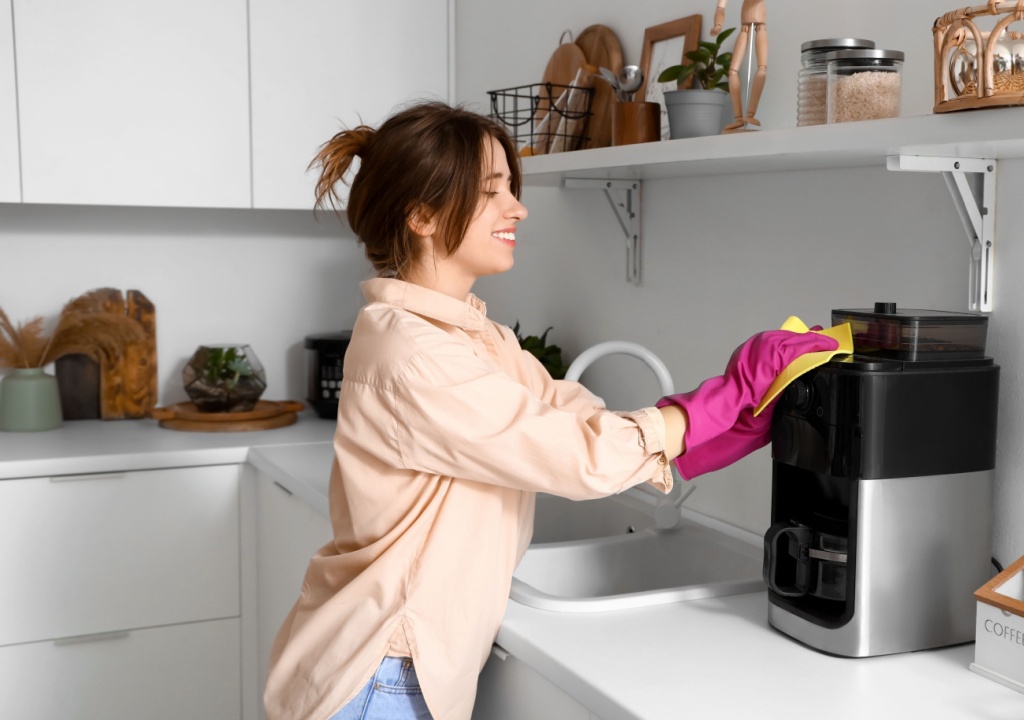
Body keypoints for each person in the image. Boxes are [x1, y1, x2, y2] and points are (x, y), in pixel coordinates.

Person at [263, 100, 837, 720]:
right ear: (423, 214)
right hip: (381, 675)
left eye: (511, 187)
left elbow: (570, 418)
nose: (517, 207)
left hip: (399, 670)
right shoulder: (411, 348)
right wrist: (722, 395)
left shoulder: (476, 337)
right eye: (491, 191)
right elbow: (577, 456)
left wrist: (726, 425)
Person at [715, 0, 768, 132]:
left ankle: (750, 114)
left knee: (762, 67)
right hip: (744, 28)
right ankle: (739, 118)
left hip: (760, 28)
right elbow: (721, 7)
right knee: (732, 71)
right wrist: (718, 24)